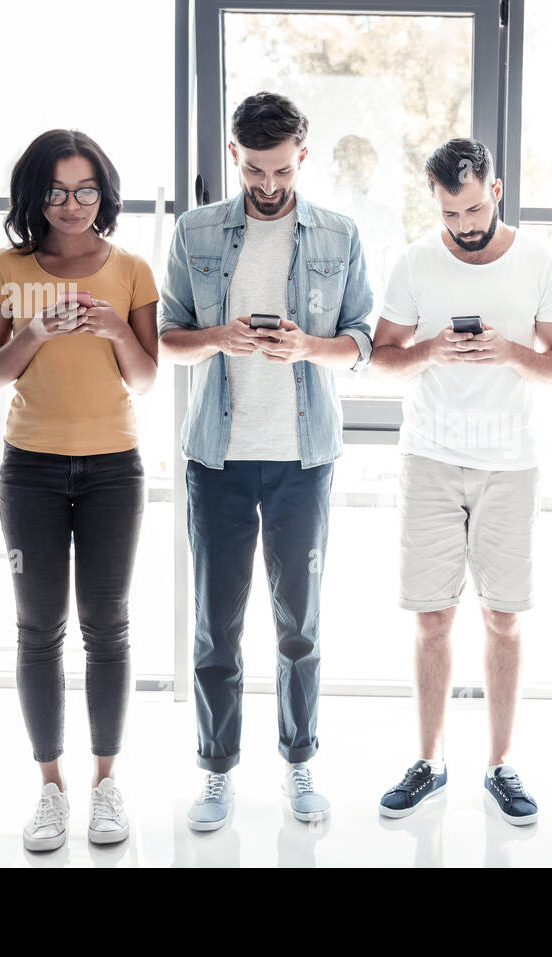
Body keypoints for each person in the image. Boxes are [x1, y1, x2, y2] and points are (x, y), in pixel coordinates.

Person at [157, 91, 373, 831]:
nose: (269, 184)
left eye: (282, 169)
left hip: (302, 462)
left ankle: (298, 760)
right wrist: (222, 336)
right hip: (216, 459)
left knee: (299, 625)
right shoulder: (194, 232)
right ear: (234, 156)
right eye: (254, 169)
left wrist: (307, 347)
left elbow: (361, 341)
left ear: (302, 157)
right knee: (215, 626)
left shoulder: (340, 234)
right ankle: (216, 772)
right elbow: (167, 337)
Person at [368, 137, 552, 825]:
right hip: (429, 457)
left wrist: (510, 353)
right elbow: (382, 359)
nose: (464, 225)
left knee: (504, 618)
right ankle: (429, 763)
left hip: (510, 462)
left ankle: (500, 764)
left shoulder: (540, 262)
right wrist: (431, 350)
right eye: (450, 213)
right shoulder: (414, 262)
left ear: (497, 190)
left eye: (475, 208)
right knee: (432, 618)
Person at [0, 129, 159, 852]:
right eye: (56, 191)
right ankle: (50, 788)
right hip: (31, 471)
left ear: (103, 194)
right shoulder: (7, 269)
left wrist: (114, 328)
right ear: (34, 195)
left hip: (114, 468)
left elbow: (144, 377)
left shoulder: (132, 269)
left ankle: (106, 784)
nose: (72, 204)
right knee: (38, 629)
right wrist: (34, 333)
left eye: (85, 190)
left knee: (107, 626)